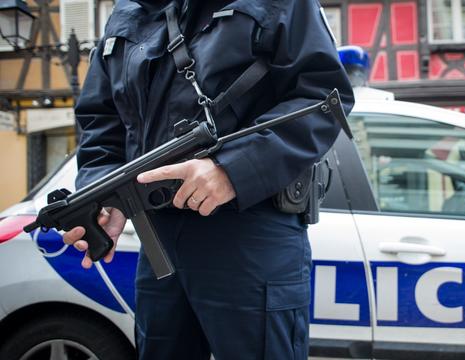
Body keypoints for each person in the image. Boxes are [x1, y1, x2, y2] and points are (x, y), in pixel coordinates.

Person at [61, 0, 354, 359]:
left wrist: (232, 170)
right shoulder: (129, 10)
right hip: (159, 239)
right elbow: (101, 117)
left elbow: (323, 96)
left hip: (249, 232)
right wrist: (107, 194)